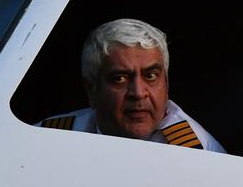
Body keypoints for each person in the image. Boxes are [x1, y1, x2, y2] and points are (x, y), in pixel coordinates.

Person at [38, 18, 226, 153]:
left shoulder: (198, 152)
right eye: (120, 78)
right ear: (91, 90)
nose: (138, 93)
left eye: (151, 76)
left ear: (166, 85)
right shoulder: (50, 138)